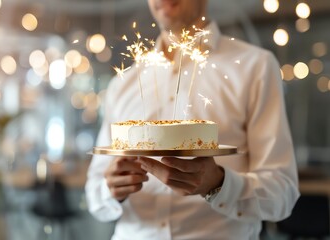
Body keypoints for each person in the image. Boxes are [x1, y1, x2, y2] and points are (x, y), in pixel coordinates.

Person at [85, 0, 300, 239]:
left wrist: (219, 184)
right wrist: (111, 189)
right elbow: (95, 195)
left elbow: (282, 194)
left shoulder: (255, 67)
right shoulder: (123, 83)